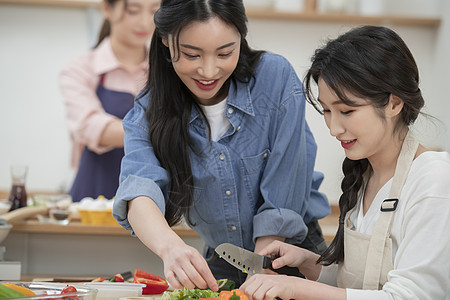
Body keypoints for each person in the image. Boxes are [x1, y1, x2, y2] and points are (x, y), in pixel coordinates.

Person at [112, 0, 330, 291]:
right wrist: (171, 249)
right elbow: (139, 190)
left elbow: (285, 183)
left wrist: (260, 268)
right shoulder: (147, 112)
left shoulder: (274, 77)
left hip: (289, 254)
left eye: (225, 52)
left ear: (242, 37)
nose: (209, 70)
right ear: (165, 41)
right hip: (221, 262)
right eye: (192, 54)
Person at [239, 25, 450, 300]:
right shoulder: (364, 177)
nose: (334, 128)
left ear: (394, 104)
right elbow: (358, 284)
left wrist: (297, 288)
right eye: (327, 110)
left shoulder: (433, 179)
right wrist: (306, 261)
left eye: (346, 111)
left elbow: (409, 296)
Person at [59, 0, 160, 202]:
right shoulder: (80, 69)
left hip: (152, 195)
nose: (145, 21)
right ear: (107, 8)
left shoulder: (166, 71)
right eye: (133, 10)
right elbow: (92, 127)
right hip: (94, 197)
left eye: (154, 11)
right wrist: (163, 132)